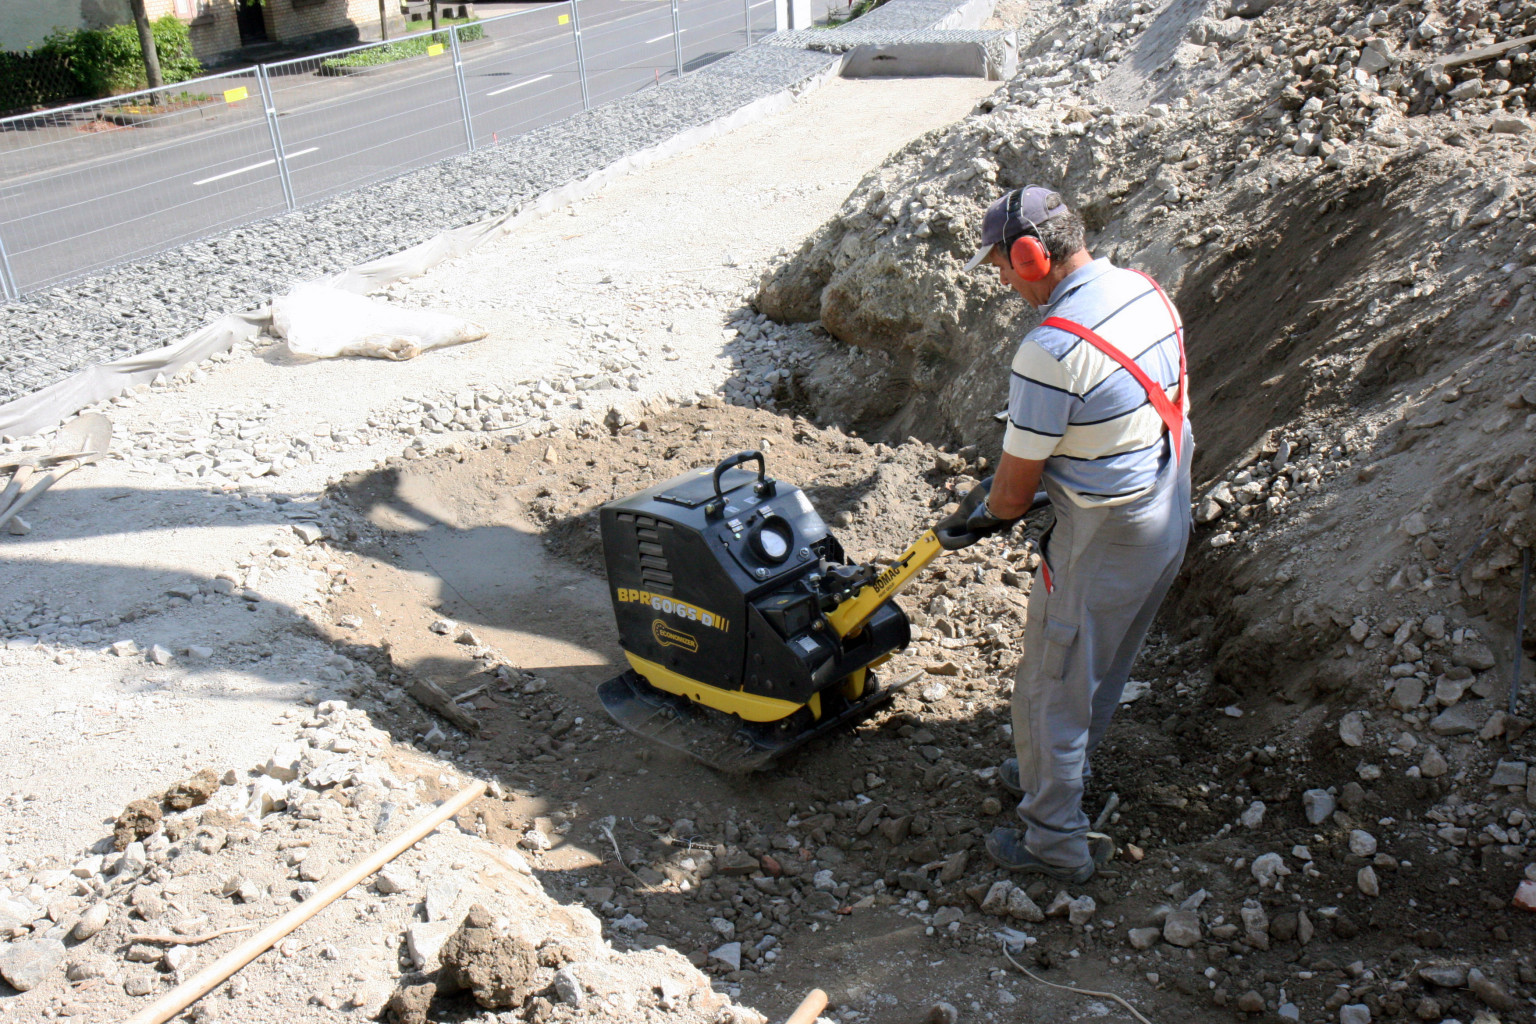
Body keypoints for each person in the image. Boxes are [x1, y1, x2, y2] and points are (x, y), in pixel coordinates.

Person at [936, 186, 1194, 884]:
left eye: (999, 265)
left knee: (1053, 683)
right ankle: (1041, 770)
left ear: (1029, 256)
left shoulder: (1051, 349)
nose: (999, 278)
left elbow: (1015, 494)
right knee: (1096, 669)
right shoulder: (1144, 290)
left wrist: (989, 510)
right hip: (1169, 506)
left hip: (1109, 534)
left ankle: (1053, 840)